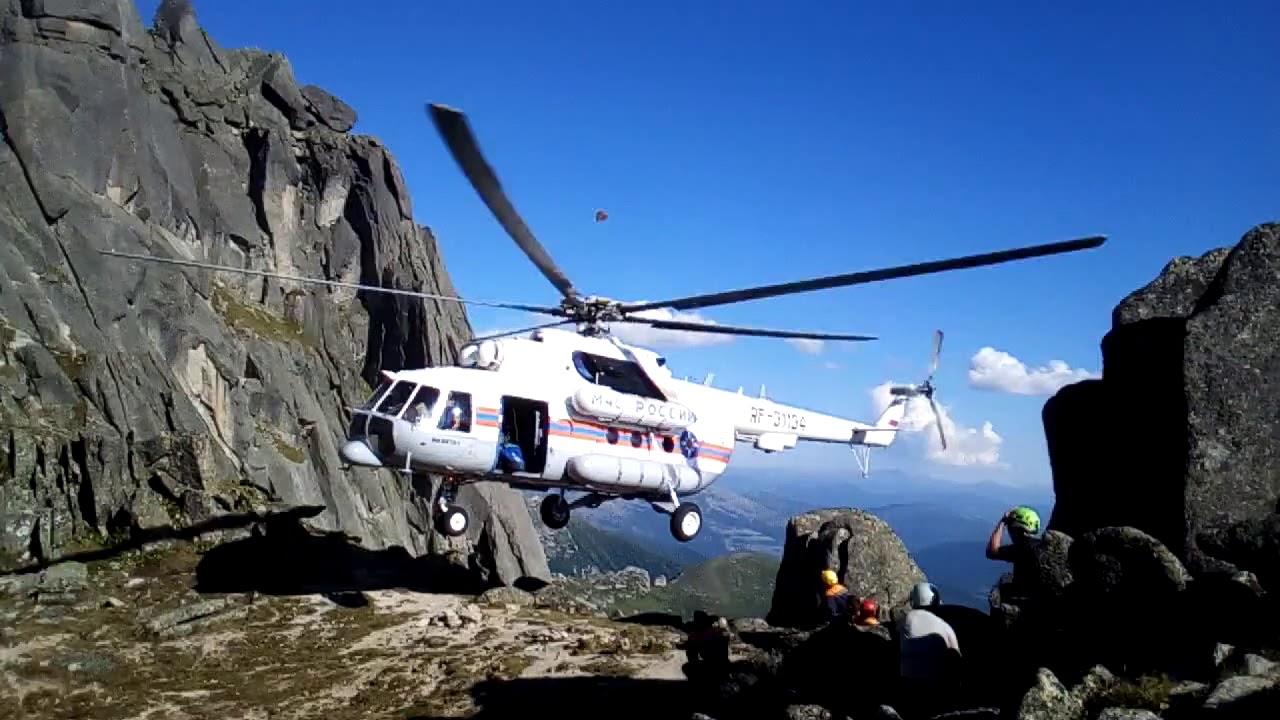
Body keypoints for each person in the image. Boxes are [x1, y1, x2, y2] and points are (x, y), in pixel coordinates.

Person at [896, 582, 963, 717]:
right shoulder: (945, 627)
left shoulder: (907, 618)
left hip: (906, 680)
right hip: (933, 684)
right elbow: (956, 658)